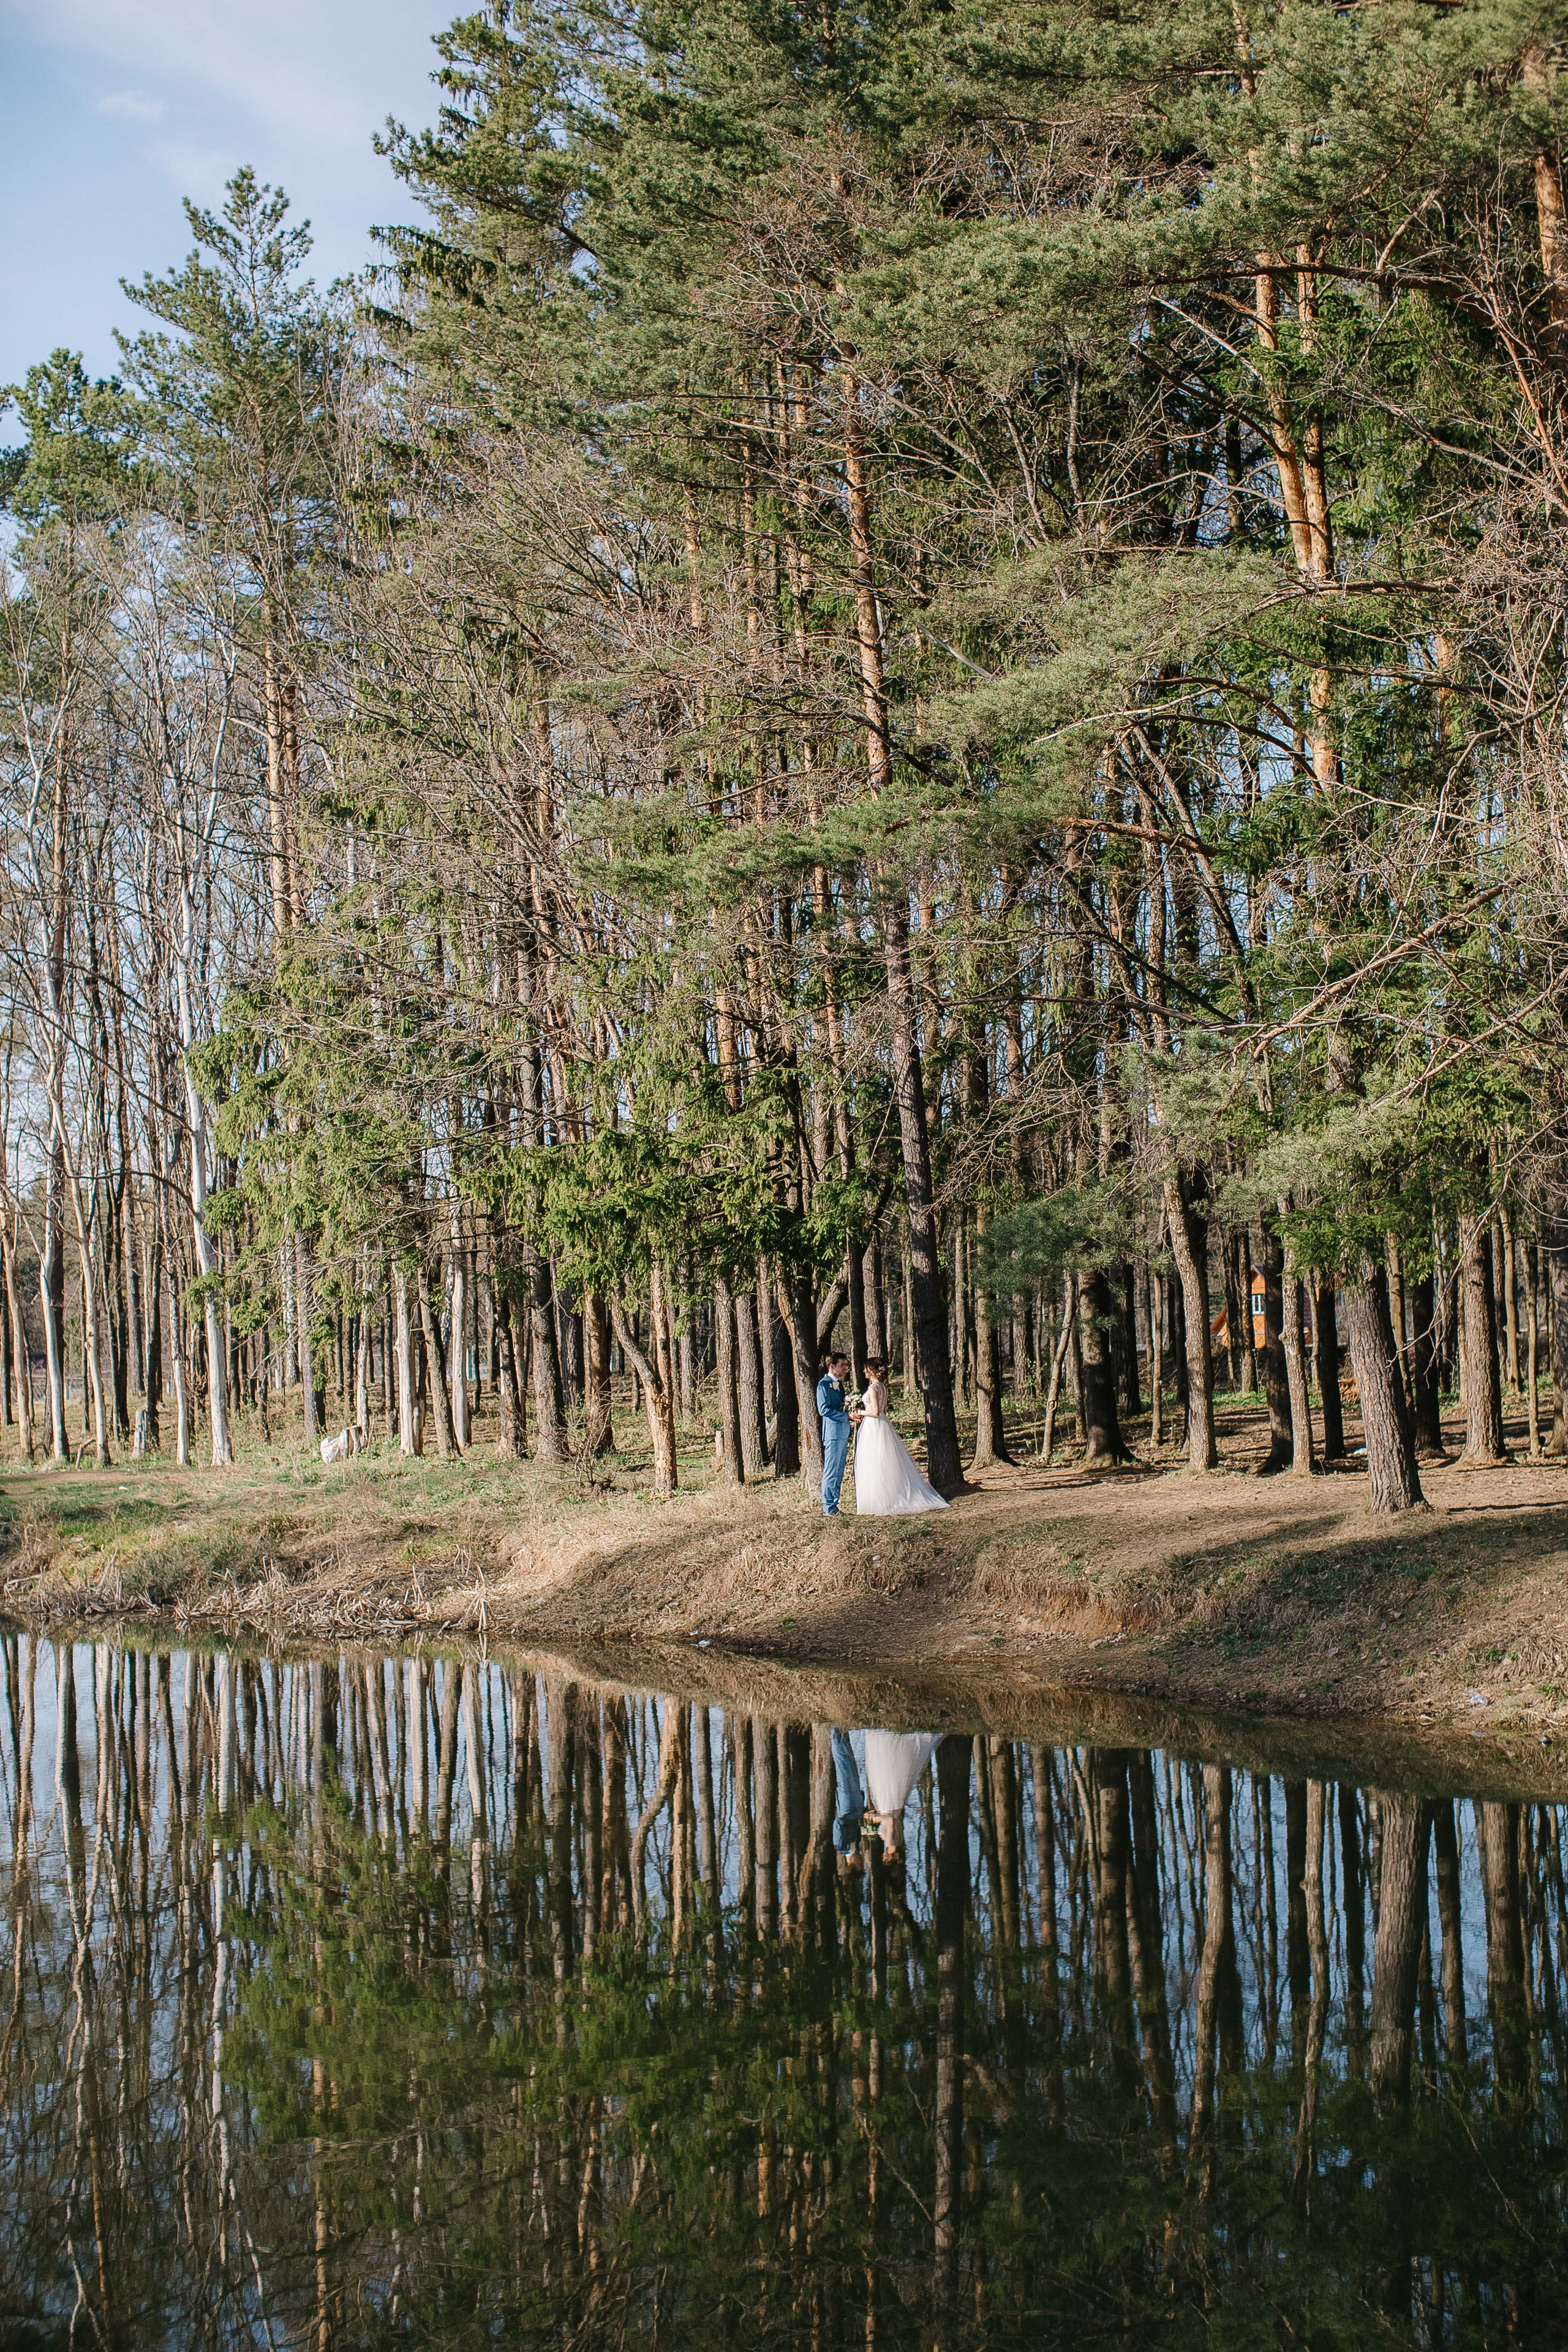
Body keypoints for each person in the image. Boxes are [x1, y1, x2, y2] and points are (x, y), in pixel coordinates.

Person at [852, 1357, 948, 1516]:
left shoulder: (873, 1388)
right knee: (884, 1460)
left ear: (872, 1371)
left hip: (873, 1425)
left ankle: (879, 1500)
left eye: (866, 1369)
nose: (863, 1372)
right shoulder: (882, 1387)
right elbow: (884, 1410)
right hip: (882, 1424)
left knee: (875, 1461)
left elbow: (875, 1412)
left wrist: (860, 1412)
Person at [862, 1727, 938, 1858]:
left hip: (893, 1807)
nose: (884, 1857)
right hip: (887, 1806)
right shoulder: (891, 1843)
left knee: (890, 1772)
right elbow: (890, 1821)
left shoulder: (898, 1841)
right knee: (886, 1773)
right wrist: (875, 1818)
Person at [816, 1349, 854, 1517]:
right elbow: (823, 1409)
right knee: (831, 1470)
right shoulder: (823, 1385)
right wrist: (847, 1415)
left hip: (843, 1432)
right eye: (842, 1364)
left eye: (846, 1364)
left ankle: (834, 1505)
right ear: (831, 1366)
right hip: (832, 1434)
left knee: (839, 1470)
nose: (846, 1368)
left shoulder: (839, 1384)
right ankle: (828, 1507)